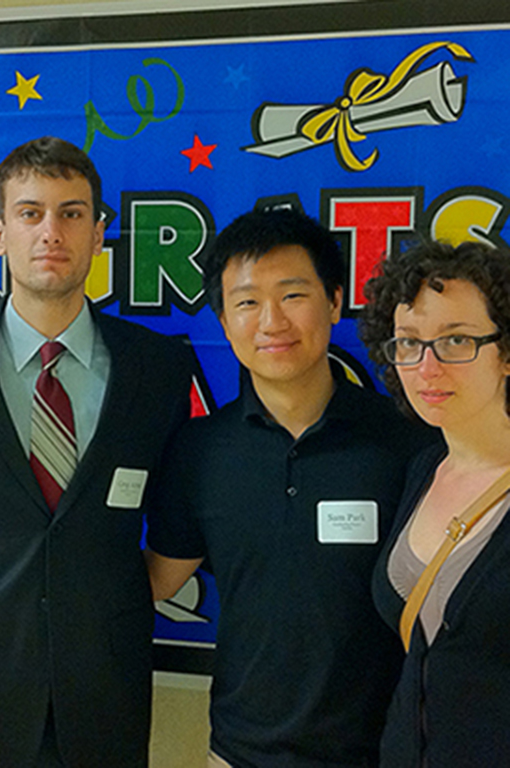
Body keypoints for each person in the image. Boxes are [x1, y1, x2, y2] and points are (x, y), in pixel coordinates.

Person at [0, 136, 194, 767]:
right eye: (30, 213)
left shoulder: (158, 368)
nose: (51, 232)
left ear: (99, 232)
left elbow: (175, 517)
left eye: (71, 213)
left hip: (104, 691)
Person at [146, 207, 435, 768]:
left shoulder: (406, 442)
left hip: (382, 753)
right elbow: (157, 578)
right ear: (224, 322)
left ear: (334, 301)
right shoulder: (199, 450)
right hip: (238, 752)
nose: (271, 321)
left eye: (293, 295)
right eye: (247, 302)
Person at [361, 239, 510, 767]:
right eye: (408, 343)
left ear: (506, 353)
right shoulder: (423, 469)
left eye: (456, 341)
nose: (426, 366)